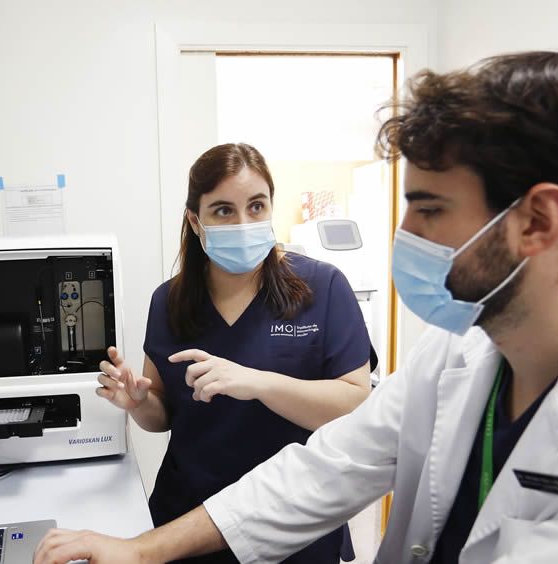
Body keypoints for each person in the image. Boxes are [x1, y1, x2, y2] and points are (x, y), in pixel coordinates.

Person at [34, 50, 558, 563]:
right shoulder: (462, 358)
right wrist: (141, 550)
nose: (405, 235)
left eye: (429, 209)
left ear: (537, 221)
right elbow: (323, 470)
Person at [94, 142, 376, 563]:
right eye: (224, 210)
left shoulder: (323, 288)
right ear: (196, 220)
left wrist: (257, 383)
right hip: (188, 521)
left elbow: (356, 405)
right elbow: (162, 415)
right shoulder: (169, 301)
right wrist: (137, 402)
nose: (244, 223)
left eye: (256, 206)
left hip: (295, 524)